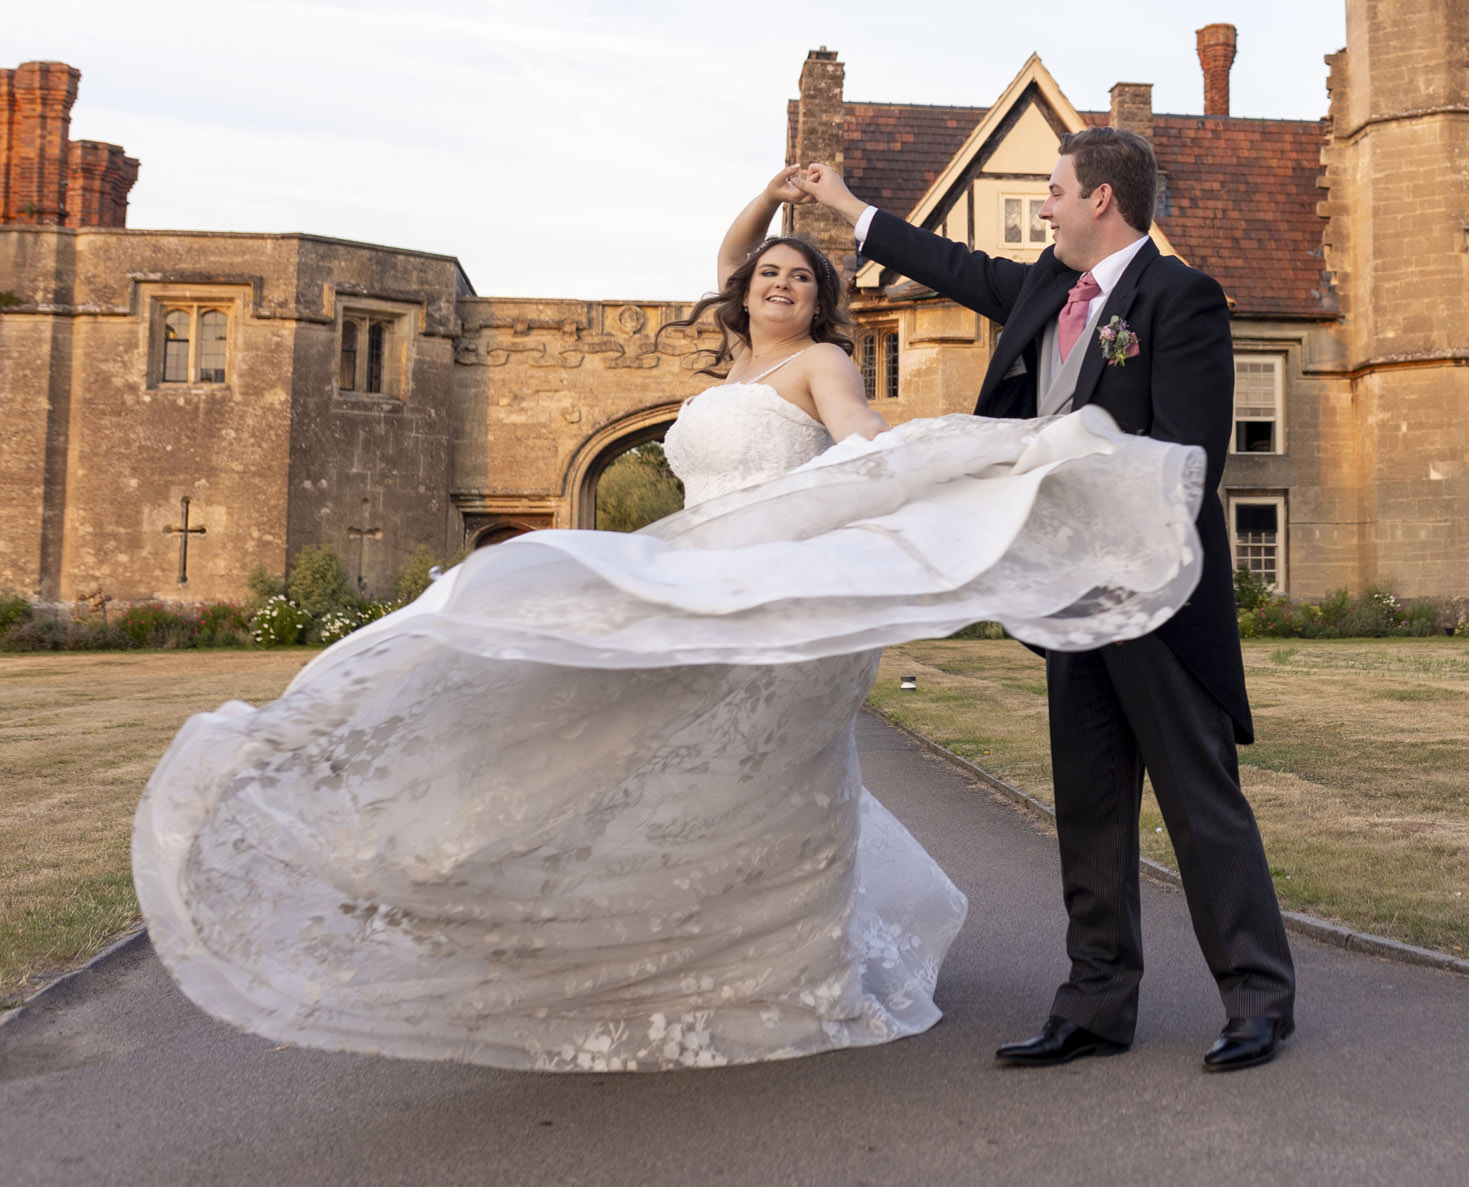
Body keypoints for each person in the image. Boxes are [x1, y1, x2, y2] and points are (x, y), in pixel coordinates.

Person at [132, 166, 1209, 1071]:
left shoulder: (824, 361)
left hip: (775, 592)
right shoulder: (730, 363)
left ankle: (791, 972)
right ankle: (591, 915)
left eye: (802, 274)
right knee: (627, 731)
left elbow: (861, 432)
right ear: (745, 294)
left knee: (770, 773)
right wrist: (781, 195)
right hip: (694, 572)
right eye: (770, 272)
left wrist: (914, 462)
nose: (783, 278)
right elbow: (737, 247)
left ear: (822, 302)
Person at [801, 126, 1297, 1073]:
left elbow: (1191, 457)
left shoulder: (1180, 299)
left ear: (1102, 199)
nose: (1046, 205)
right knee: (1091, 801)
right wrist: (849, 206)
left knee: (1201, 802)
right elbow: (952, 264)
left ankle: (1258, 998)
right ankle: (1096, 1001)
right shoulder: (1042, 287)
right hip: (1064, 596)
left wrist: (1059, 455)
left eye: (1056, 190)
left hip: (1153, 598)